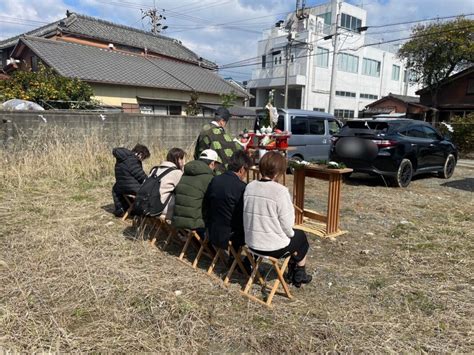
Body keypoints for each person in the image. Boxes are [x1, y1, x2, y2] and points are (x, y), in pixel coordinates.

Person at [243, 151, 312, 287]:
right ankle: (299, 274)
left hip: (251, 243)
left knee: (295, 238)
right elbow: (288, 224)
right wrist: (291, 234)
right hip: (272, 247)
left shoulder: (249, 186)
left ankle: (296, 272)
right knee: (300, 237)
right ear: (278, 172)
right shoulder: (280, 191)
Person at [204, 150, 252, 250]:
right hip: (230, 235)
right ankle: (242, 261)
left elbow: (206, 204)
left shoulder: (215, 180)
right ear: (242, 169)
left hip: (212, 230)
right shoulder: (242, 187)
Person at [172, 149, 220, 232]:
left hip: (178, 220)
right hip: (196, 224)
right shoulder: (210, 178)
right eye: (216, 165)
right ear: (212, 163)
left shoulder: (185, 173)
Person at [193, 107, 242, 173]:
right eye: (225, 123)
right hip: (215, 172)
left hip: (202, 168)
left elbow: (197, 151)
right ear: (222, 121)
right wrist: (241, 145)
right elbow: (231, 148)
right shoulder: (218, 133)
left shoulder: (204, 129)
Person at [112, 144, 150, 217]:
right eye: (144, 157)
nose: (143, 160)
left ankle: (121, 209)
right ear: (140, 154)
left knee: (115, 188)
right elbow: (141, 176)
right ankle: (144, 212)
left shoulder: (122, 158)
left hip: (120, 186)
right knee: (150, 192)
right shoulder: (132, 160)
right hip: (131, 188)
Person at [154, 148, 186, 221]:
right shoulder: (176, 173)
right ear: (179, 160)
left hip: (149, 204)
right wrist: (183, 170)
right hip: (161, 208)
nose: (184, 163)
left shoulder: (155, 169)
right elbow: (184, 191)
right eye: (183, 159)